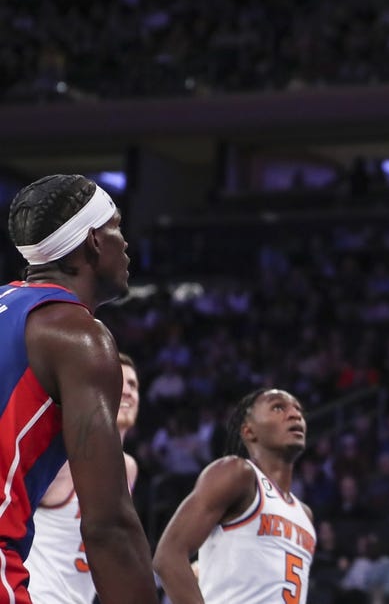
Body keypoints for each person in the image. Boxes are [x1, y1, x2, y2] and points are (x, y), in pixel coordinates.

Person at [2, 174, 158, 603]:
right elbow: (108, 525)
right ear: (92, 242)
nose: (124, 244)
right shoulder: (77, 334)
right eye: (116, 228)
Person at [153, 389, 315, 604]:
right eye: (278, 407)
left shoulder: (305, 514)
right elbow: (168, 556)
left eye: (298, 410)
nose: (295, 414)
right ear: (249, 431)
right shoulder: (237, 473)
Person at [25, 352, 141, 603]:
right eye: (121, 382)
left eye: (134, 385)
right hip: (35, 595)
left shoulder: (128, 468)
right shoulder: (65, 457)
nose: (129, 391)